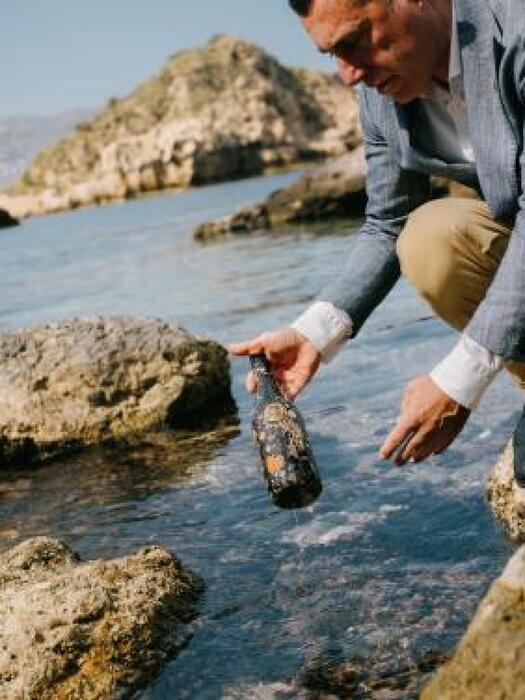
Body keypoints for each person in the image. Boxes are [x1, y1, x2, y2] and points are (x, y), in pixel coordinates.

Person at [230, 0, 525, 481]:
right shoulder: (380, 91)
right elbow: (389, 221)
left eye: (353, 42)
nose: (348, 75)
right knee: (431, 238)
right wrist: (314, 334)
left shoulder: (515, 26)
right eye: (333, 56)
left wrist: (459, 380)